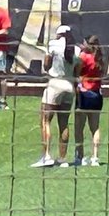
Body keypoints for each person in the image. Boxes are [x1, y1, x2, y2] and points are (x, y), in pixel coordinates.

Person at [32, 25, 79, 168]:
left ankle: (46, 156)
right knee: (64, 123)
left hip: (55, 84)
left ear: (59, 34)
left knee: (45, 120)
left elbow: (46, 65)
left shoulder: (53, 45)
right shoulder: (77, 50)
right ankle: (62, 159)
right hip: (69, 86)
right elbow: (77, 72)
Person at [74, 35, 105, 167]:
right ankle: (95, 157)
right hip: (97, 93)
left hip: (84, 93)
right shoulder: (100, 58)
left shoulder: (84, 56)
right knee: (95, 127)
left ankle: (79, 156)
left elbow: (77, 72)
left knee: (79, 127)